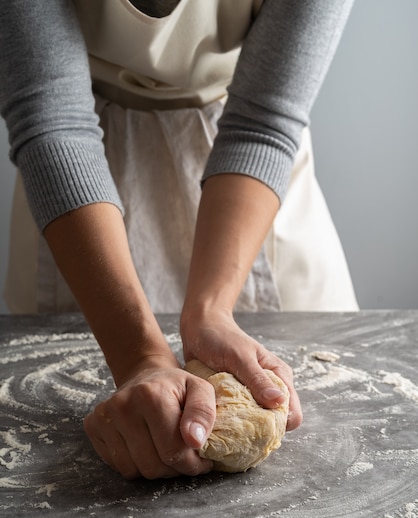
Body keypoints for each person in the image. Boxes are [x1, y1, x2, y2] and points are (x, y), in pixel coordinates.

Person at [0, 0, 358, 479]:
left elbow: (262, 123)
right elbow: (52, 119)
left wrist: (212, 312)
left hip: (247, 189)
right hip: (79, 194)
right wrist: (138, 356)